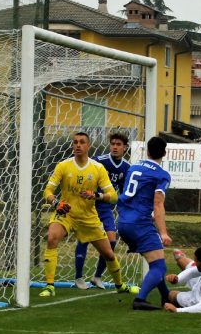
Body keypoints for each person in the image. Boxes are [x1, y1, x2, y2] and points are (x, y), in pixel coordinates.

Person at [40, 131, 139, 297]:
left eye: (82, 142)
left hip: (88, 216)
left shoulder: (97, 168)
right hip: (67, 213)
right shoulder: (63, 165)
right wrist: (56, 202)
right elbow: (48, 190)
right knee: (52, 238)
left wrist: (96, 195)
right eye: (75, 142)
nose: (78, 145)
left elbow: (113, 195)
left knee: (108, 253)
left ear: (88, 146)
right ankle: (50, 285)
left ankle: (120, 285)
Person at [117, 136, 172, 310]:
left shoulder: (133, 168)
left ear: (147, 151)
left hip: (123, 222)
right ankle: (140, 299)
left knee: (155, 260)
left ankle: (165, 296)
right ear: (164, 153)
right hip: (140, 224)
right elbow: (158, 203)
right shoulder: (161, 175)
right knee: (159, 266)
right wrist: (162, 232)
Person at [74, 132, 130, 290]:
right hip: (89, 206)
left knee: (111, 241)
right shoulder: (99, 161)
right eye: (113, 144)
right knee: (84, 239)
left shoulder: (126, 167)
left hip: (105, 207)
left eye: (118, 144)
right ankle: (78, 277)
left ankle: (97, 276)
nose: (115, 147)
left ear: (125, 147)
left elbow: (122, 192)